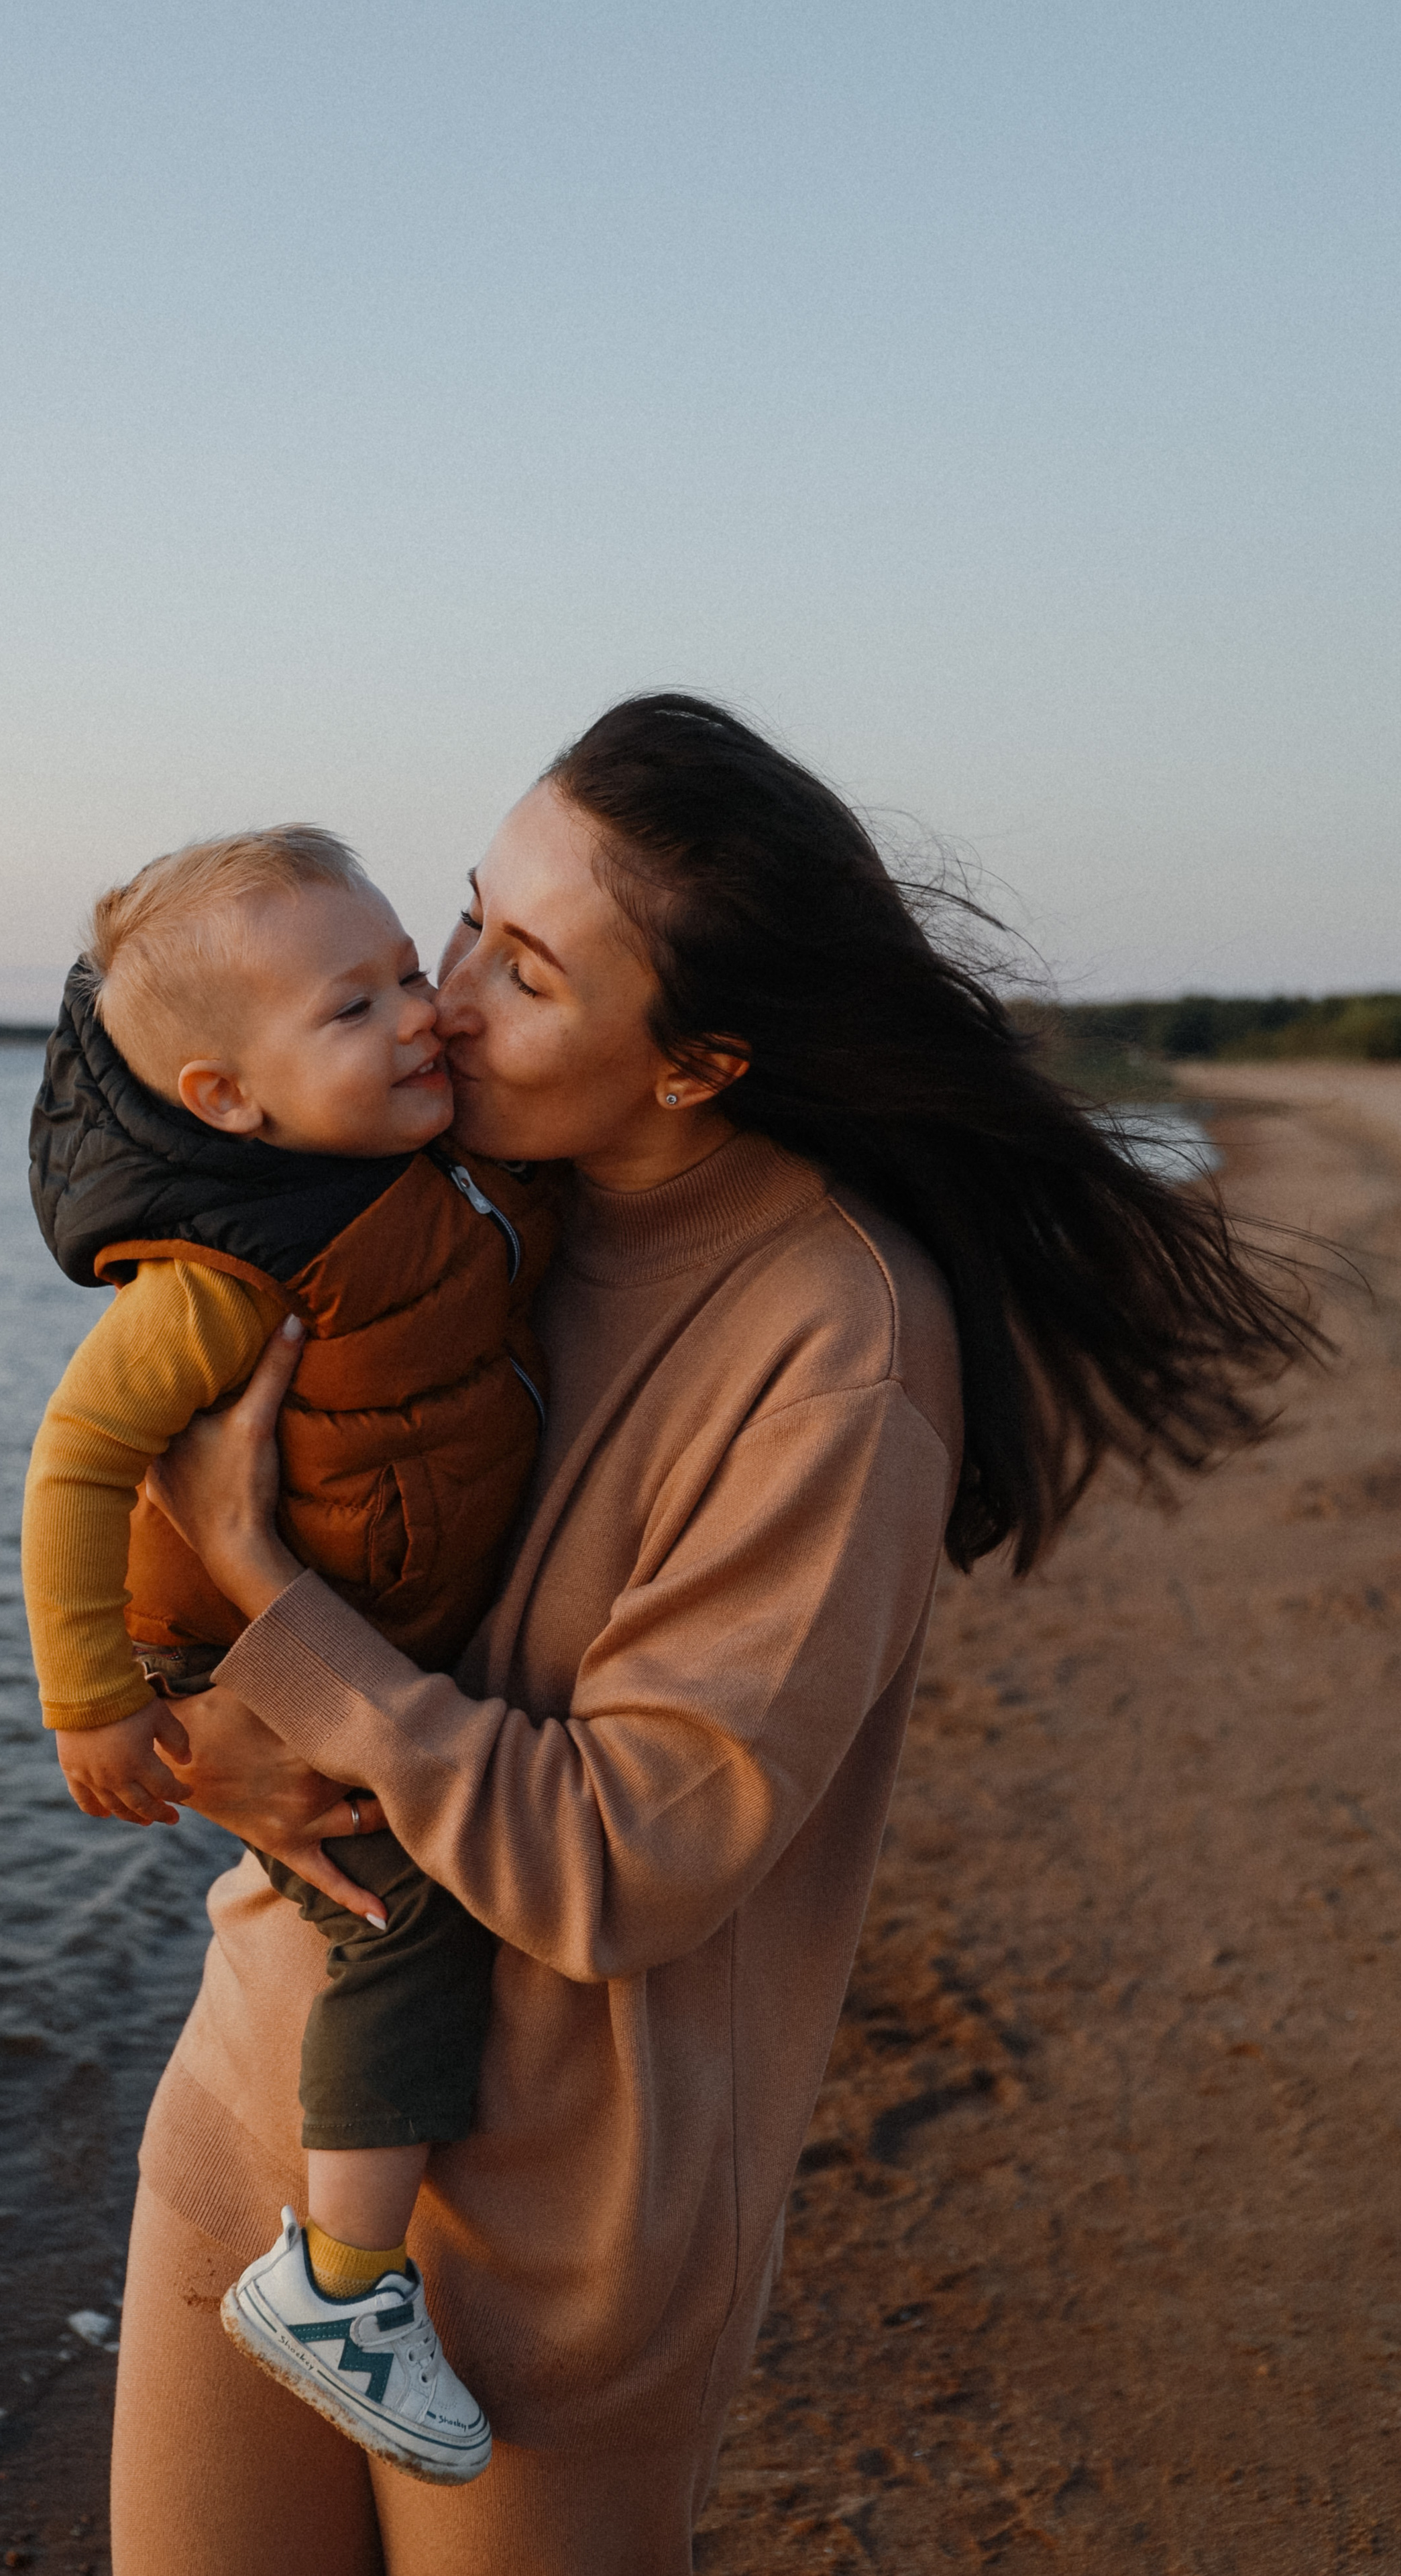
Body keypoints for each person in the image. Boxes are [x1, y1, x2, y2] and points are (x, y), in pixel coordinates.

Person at [107, 697, 1314, 2576]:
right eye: (464, 918)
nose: (441, 1001)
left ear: (697, 1063)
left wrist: (274, 1600)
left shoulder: (837, 1344)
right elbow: (132, 1100)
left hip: (544, 2269)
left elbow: (622, 1858)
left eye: (527, 970)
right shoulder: (424, 1195)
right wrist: (195, 1708)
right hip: (247, 2126)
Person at [21, 827, 557, 2483]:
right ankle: (340, 2285)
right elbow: (73, 1467)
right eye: (355, 1004)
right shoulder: (220, 1279)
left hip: (343, 1619)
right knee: (408, 1914)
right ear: (229, 1098)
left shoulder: (411, 1172)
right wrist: (95, 1702)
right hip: (223, 1666)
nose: (417, 1015)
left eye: (412, 971)